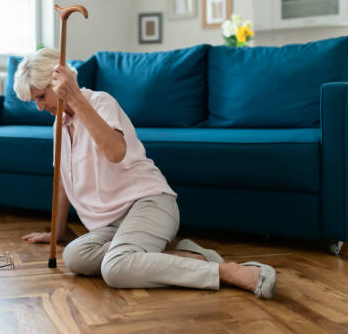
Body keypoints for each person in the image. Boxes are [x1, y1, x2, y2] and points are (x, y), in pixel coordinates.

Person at [14, 48, 276, 299]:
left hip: (149, 204)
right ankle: (183, 256)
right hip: (112, 225)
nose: (39, 107)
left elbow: (115, 152)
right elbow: (63, 180)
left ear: (59, 82)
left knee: (115, 269)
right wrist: (58, 232)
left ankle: (226, 272)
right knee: (74, 256)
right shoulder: (59, 125)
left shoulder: (100, 102)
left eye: (40, 97)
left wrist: (76, 99)